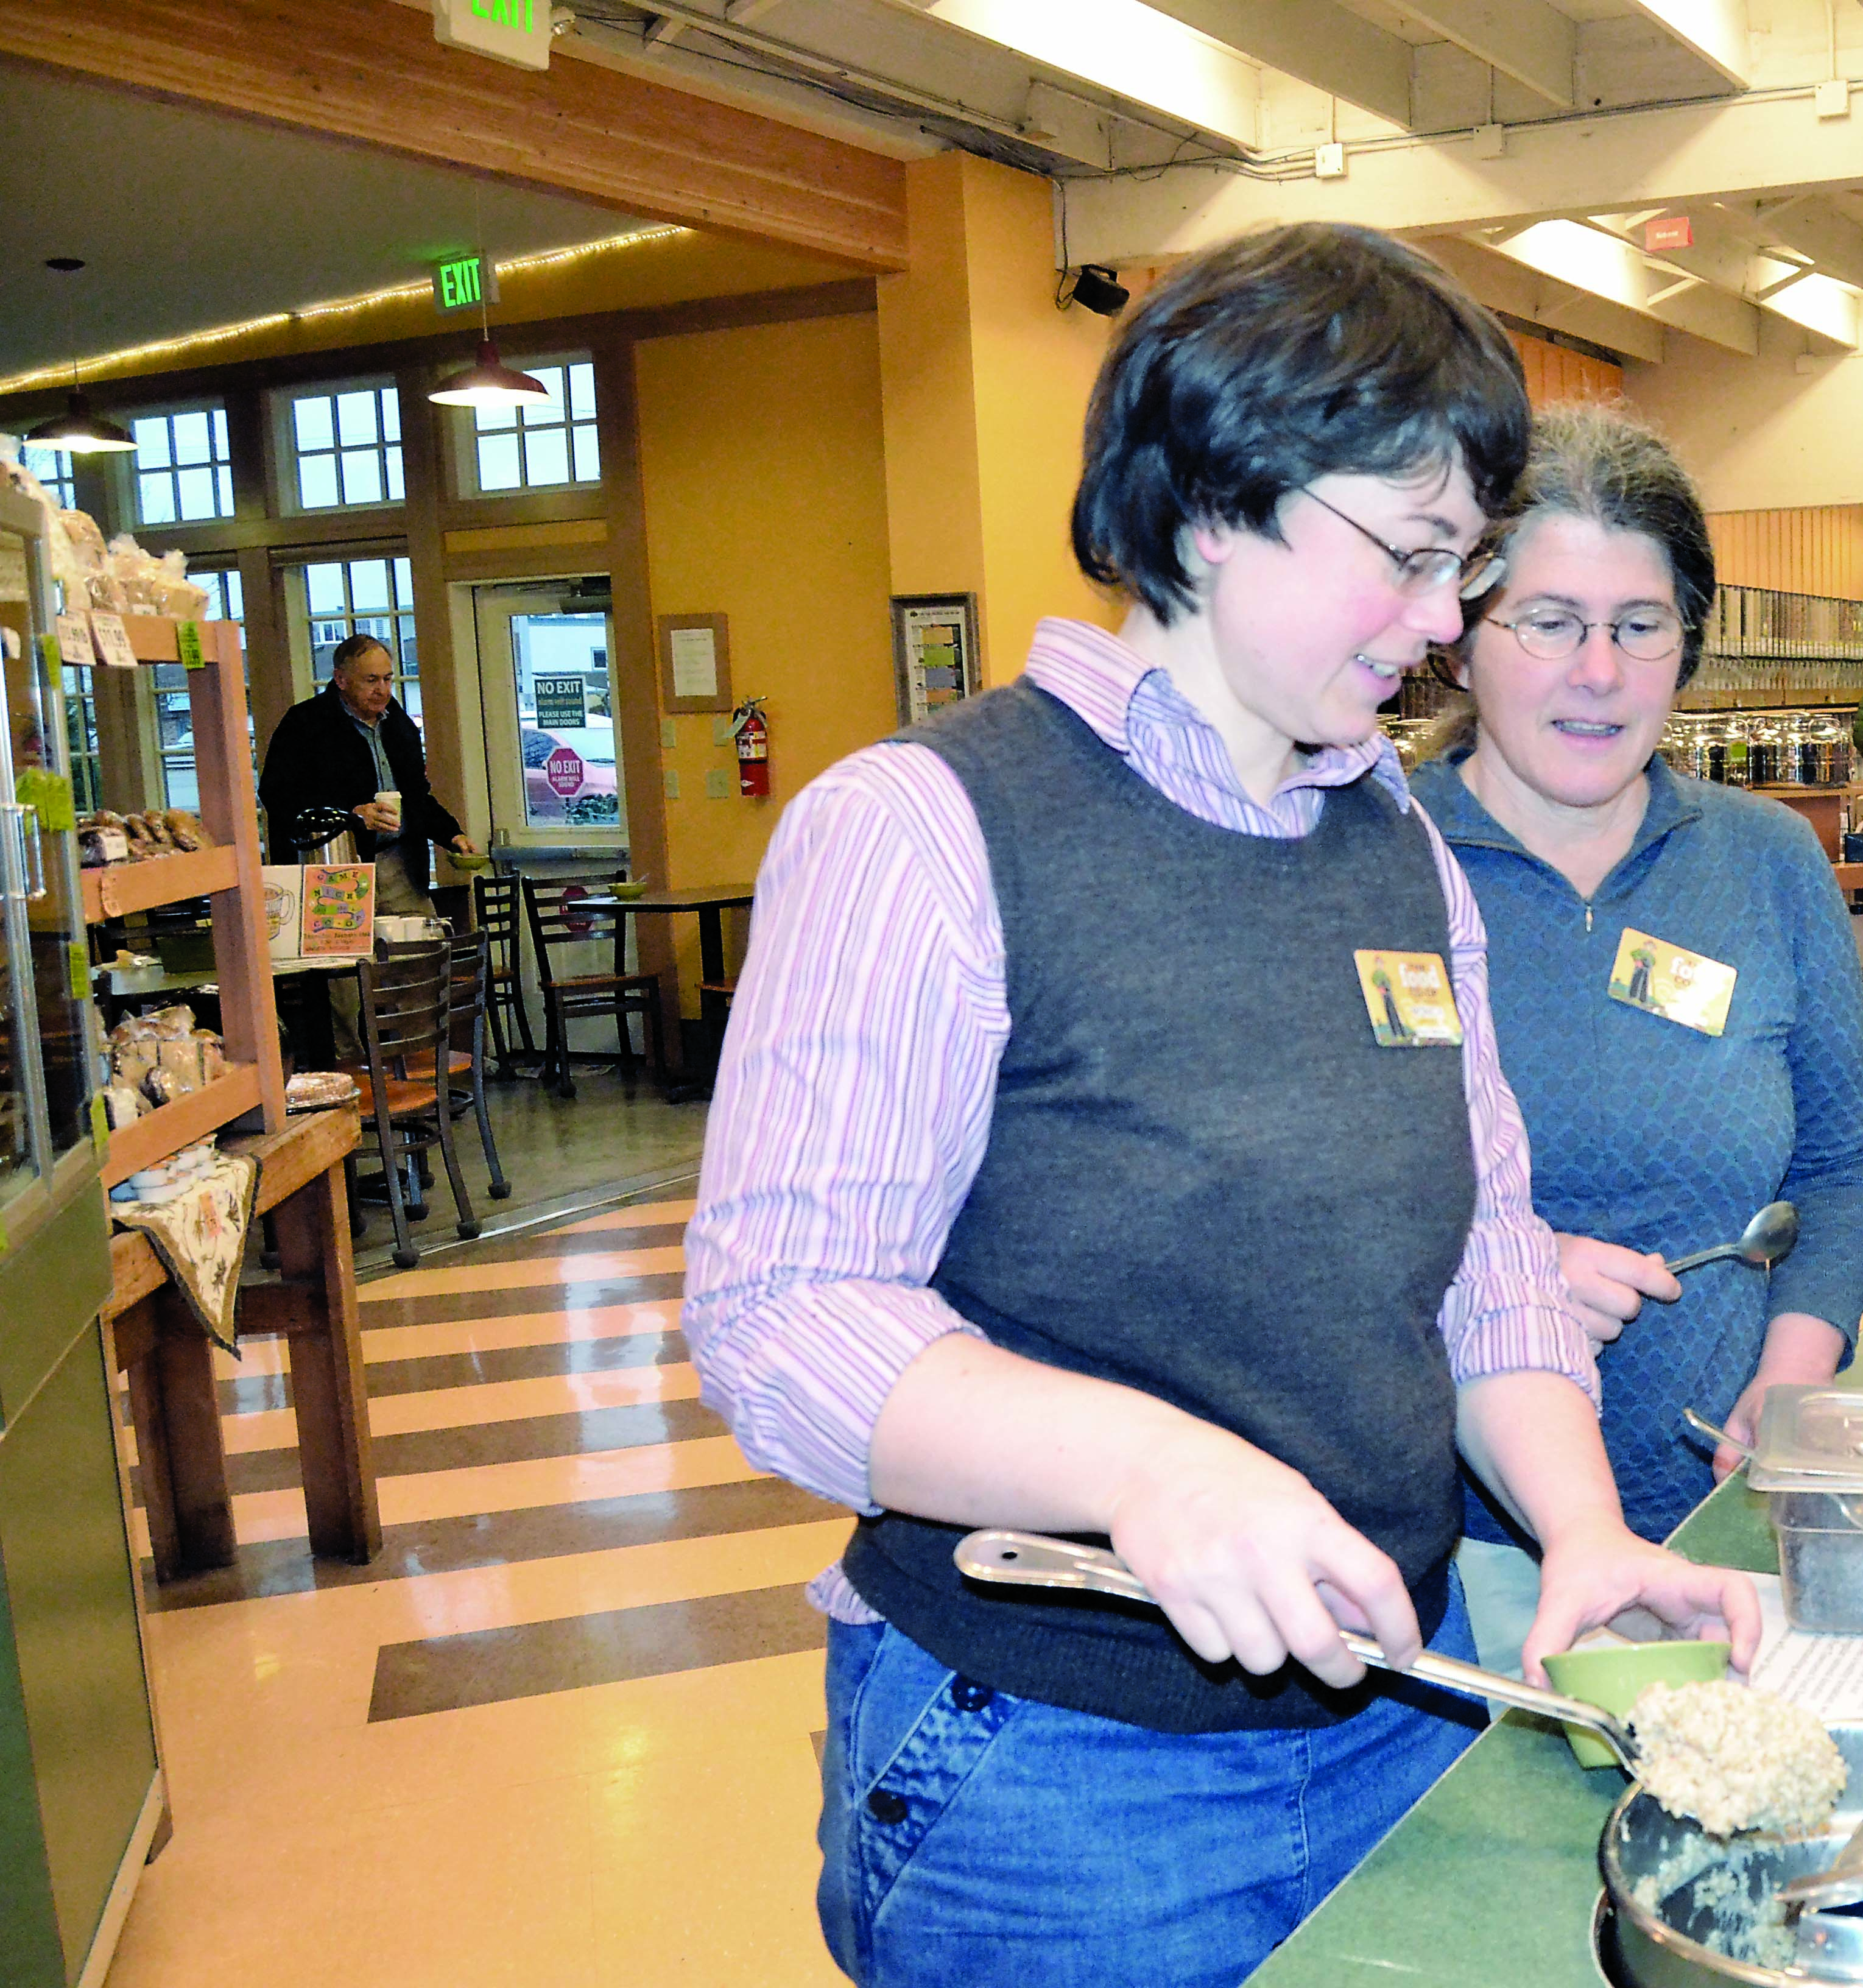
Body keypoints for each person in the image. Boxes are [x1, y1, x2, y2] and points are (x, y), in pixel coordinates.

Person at [681, 225, 1756, 1988]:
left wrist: (1582, 1536)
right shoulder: (925, 828)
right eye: (1413, 560)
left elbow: (1483, 1249)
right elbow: (782, 1322)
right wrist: (1153, 1471)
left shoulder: (1393, 839)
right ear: (1210, 503)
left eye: (1461, 566)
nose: (1438, 627)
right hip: (1051, 1783)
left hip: (1401, 1715)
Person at [1407, 406, 1863, 1663]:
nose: (1599, 673)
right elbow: (1293, 1213)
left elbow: (1840, 1170)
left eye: (1640, 628)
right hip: (1454, 1560)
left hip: (1723, 1524)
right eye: (1551, 624)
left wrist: (1790, 1377)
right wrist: (1502, 1270)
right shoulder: (1368, 864)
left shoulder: (1766, 863)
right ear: (1461, 638)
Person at [258, 633, 477, 1064]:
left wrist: (451, 834)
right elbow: (279, 797)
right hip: (334, 866)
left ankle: (420, 1068)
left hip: (397, 861)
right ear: (340, 679)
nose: (382, 690)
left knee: (421, 960)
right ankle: (352, 1074)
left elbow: (417, 794)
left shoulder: (398, 723)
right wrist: (352, 813)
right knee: (341, 983)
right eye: (370, 680)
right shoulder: (305, 724)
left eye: (388, 679)